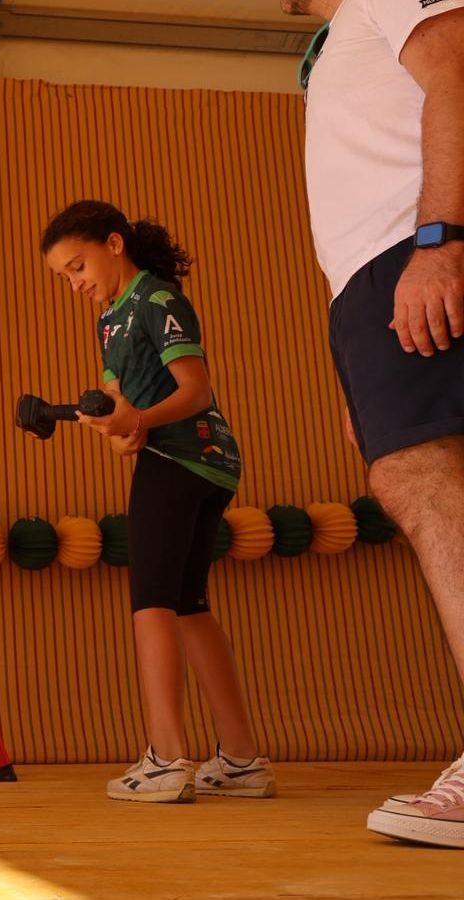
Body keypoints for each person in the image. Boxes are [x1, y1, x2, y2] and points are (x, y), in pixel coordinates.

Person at [284, 0, 464, 847]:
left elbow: (457, 76)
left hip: (412, 253)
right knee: (417, 479)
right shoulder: (346, 32)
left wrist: (438, 242)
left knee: (430, 483)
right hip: (375, 276)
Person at [42, 200, 275, 804]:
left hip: (184, 458)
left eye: (77, 265)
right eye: (65, 276)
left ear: (113, 243)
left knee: (151, 602)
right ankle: (242, 759)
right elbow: (128, 430)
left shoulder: (157, 299)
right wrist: (119, 427)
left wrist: (138, 421)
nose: (75, 283)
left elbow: (196, 390)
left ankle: (167, 758)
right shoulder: (109, 321)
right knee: (189, 603)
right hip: (183, 459)